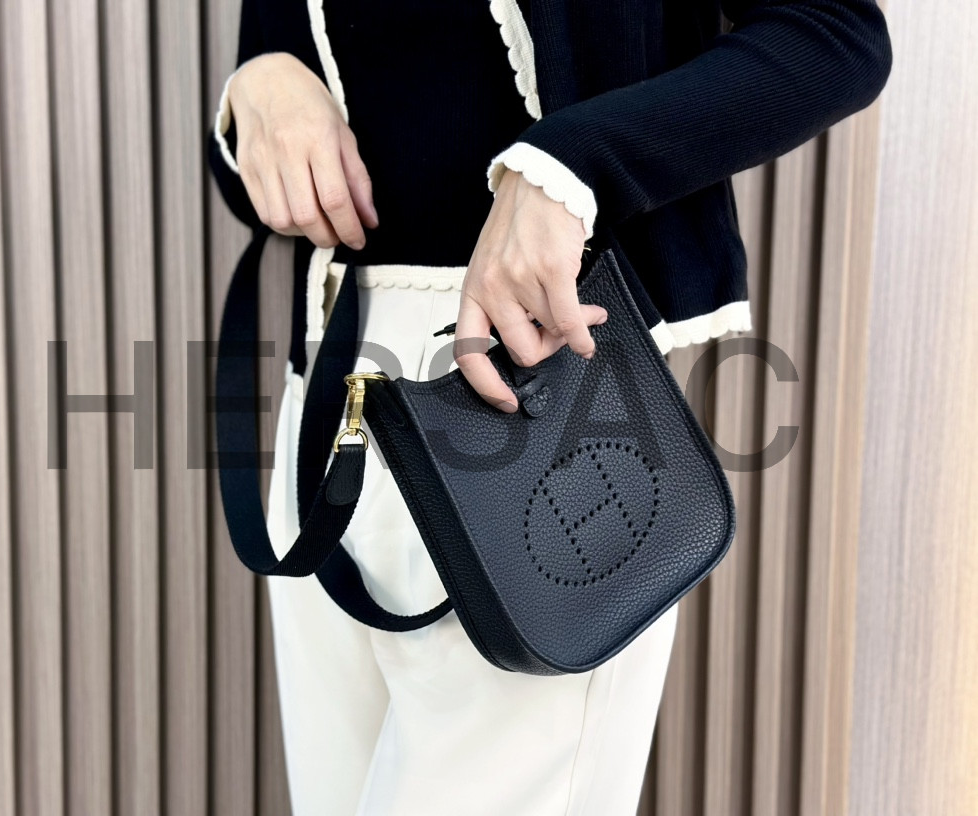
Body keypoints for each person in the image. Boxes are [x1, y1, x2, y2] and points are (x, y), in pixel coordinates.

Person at [207, 2, 891, 813]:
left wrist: (571, 165)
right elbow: (270, 189)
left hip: (550, 396)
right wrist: (260, 88)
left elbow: (836, 34)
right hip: (333, 390)